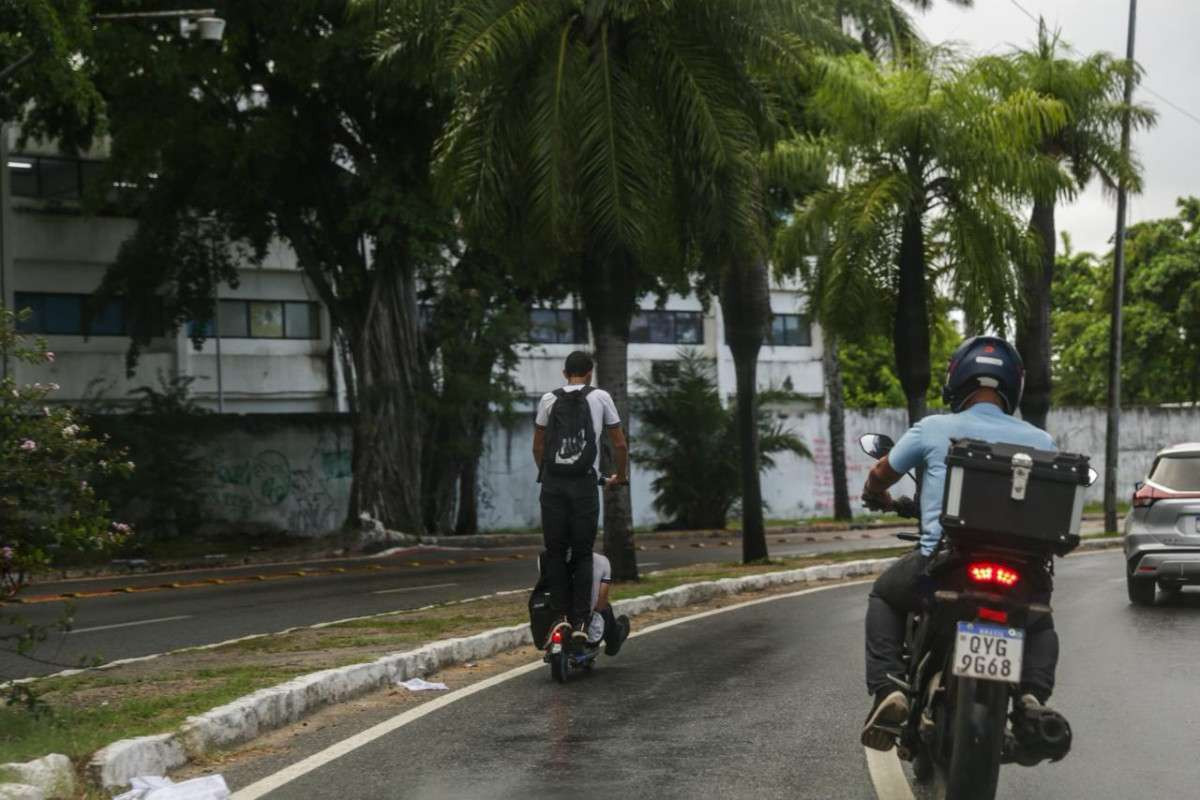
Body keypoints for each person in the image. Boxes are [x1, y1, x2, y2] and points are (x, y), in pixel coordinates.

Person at [859, 336, 1066, 757]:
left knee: (884, 595)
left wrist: (875, 493)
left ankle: (887, 689)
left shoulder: (933, 428)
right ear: (1013, 386)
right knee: (1040, 622)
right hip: (1022, 576)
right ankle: (1031, 697)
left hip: (941, 570)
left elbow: (882, 472)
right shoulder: (1042, 442)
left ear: (957, 380)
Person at [533, 350, 629, 645]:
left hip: (553, 485)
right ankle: (580, 622)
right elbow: (619, 444)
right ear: (590, 373)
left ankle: (559, 617)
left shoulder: (548, 399)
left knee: (555, 551)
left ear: (565, 374)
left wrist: (547, 474)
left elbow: (538, 447)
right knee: (583, 552)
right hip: (583, 485)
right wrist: (619, 475)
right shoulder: (601, 397)